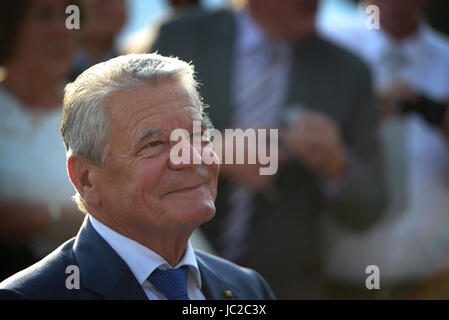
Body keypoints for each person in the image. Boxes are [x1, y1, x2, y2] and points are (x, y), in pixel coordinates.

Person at [150, 0, 386, 299]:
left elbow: (371, 207)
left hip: (285, 289)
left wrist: (337, 165)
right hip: (169, 280)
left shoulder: (348, 72)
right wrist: (212, 155)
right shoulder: (182, 38)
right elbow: (132, 153)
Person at [0, 53, 276, 300]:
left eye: (197, 135)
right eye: (154, 145)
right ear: (86, 178)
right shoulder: (29, 296)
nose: (190, 157)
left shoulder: (248, 289)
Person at [320, 0, 449, 299]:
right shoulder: (327, 46)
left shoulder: (446, 61)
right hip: (338, 282)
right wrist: (365, 112)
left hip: (431, 283)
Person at [0, 0, 83, 281]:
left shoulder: (97, 111)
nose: (63, 30)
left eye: (70, 16)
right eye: (44, 14)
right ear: (9, 24)